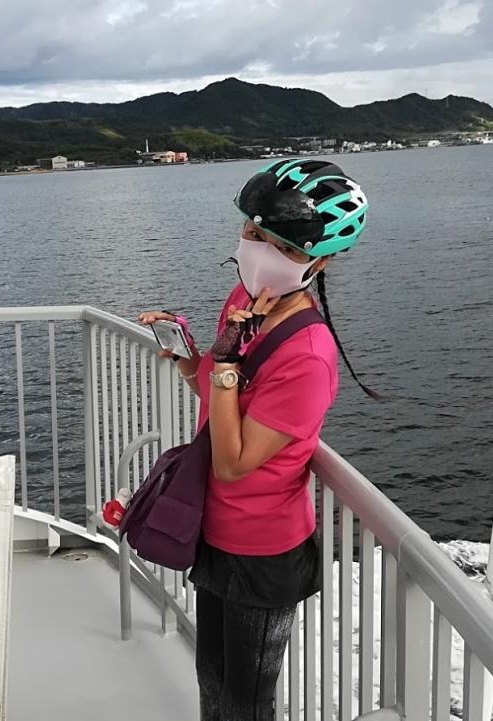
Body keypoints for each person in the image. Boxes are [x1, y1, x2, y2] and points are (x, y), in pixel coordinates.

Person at [137, 158, 375, 721]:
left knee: (247, 699)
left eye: (283, 246)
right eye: (254, 232)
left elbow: (235, 461)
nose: (260, 250)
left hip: (263, 547)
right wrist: (190, 358)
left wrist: (223, 364)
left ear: (319, 260)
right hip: (213, 529)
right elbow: (218, 395)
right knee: (211, 674)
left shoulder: (308, 356)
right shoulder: (243, 303)